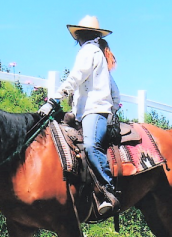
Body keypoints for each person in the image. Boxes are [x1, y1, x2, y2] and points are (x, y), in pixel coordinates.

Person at [38, 15, 121, 215]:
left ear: (79, 36)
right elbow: (115, 91)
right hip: (88, 111)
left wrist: (54, 100)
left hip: (94, 111)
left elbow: (75, 78)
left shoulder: (89, 51)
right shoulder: (98, 53)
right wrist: (113, 109)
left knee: (92, 146)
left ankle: (107, 191)